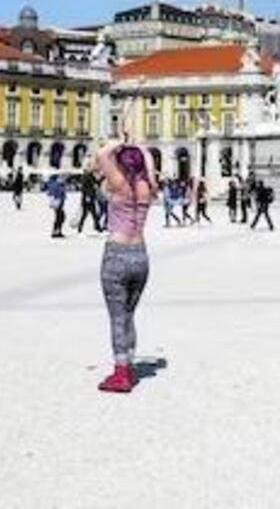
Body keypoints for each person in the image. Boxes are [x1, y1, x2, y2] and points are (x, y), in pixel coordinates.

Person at [95, 144, 155, 393]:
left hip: (117, 254)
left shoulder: (118, 183)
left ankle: (121, 373)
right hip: (140, 255)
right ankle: (128, 364)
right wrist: (141, 147)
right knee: (129, 315)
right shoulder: (148, 187)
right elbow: (149, 162)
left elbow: (100, 155)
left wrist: (119, 142)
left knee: (117, 317)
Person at [48, 172, 69, 237]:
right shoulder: (56, 185)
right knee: (59, 217)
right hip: (57, 203)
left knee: (61, 217)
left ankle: (58, 231)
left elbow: (62, 193)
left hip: (60, 203)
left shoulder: (61, 185)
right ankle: (55, 232)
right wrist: (53, 202)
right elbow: (52, 194)